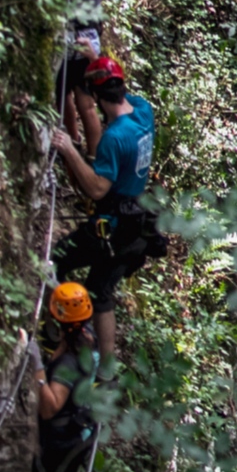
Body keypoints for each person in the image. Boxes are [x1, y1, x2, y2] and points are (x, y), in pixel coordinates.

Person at [51, 57, 163, 360]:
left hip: (111, 228)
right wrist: (94, 62)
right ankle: (106, 367)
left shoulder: (114, 138)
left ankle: (69, 335)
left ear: (98, 98)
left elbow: (97, 188)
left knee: (55, 261)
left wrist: (68, 149)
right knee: (100, 291)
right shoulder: (143, 112)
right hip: (137, 226)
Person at [33, 282, 99, 472]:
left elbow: (49, 409)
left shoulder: (67, 364)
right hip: (78, 434)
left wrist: (37, 370)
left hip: (62, 442)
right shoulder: (87, 338)